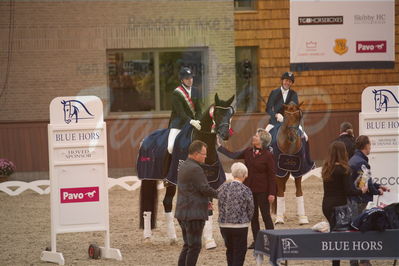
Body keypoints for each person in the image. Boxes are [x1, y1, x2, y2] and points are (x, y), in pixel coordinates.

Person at [217, 128, 276, 249]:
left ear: (261, 141)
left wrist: (272, 193)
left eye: (256, 136)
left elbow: (272, 176)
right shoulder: (248, 151)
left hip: (263, 191)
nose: (254, 137)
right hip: (249, 190)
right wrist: (219, 147)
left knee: (266, 216)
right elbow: (233, 155)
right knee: (253, 217)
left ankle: (272, 240)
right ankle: (257, 241)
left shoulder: (268, 155)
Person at [322, 141, 368, 266]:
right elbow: (349, 191)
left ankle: (335, 263)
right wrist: (361, 190)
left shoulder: (326, 168)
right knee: (341, 239)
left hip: (326, 205)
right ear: (343, 153)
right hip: (339, 207)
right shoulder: (344, 169)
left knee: (334, 235)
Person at [175, 140, 219, 266]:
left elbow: (192, 189)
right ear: (195, 154)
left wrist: (206, 202)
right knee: (194, 247)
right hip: (193, 214)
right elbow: (205, 189)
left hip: (182, 212)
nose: (205, 156)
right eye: (203, 154)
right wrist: (221, 194)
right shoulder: (195, 169)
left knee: (188, 245)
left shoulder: (184, 165)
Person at [348, 135, 390, 266]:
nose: (370, 147)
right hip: (359, 201)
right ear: (366, 146)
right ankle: (361, 261)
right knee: (361, 229)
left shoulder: (355, 159)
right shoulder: (362, 162)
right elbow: (366, 185)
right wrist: (378, 191)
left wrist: (378, 186)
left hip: (353, 200)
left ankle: (359, 260)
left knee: (355, 228)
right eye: (370, 144)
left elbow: (366, 182)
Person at [218, 162, 254, 266]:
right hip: (240, 226)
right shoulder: (246, 190)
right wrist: (247, 219)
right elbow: (251, 208)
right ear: (244, 175)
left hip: (224, 225)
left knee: (230, 250)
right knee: (239, 252)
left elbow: (219, 203)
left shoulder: (222, 187)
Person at [168, 66, 203, 154]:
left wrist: (198, 120)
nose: (190, 80)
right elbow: (180, 113)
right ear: (182, 80)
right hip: (179, 124)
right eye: (187, 78)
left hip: (194, 123)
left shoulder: (196, 91)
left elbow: (199, 109)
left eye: (191, 77)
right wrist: (191, 121)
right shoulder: (177, 93)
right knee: (171, 147)